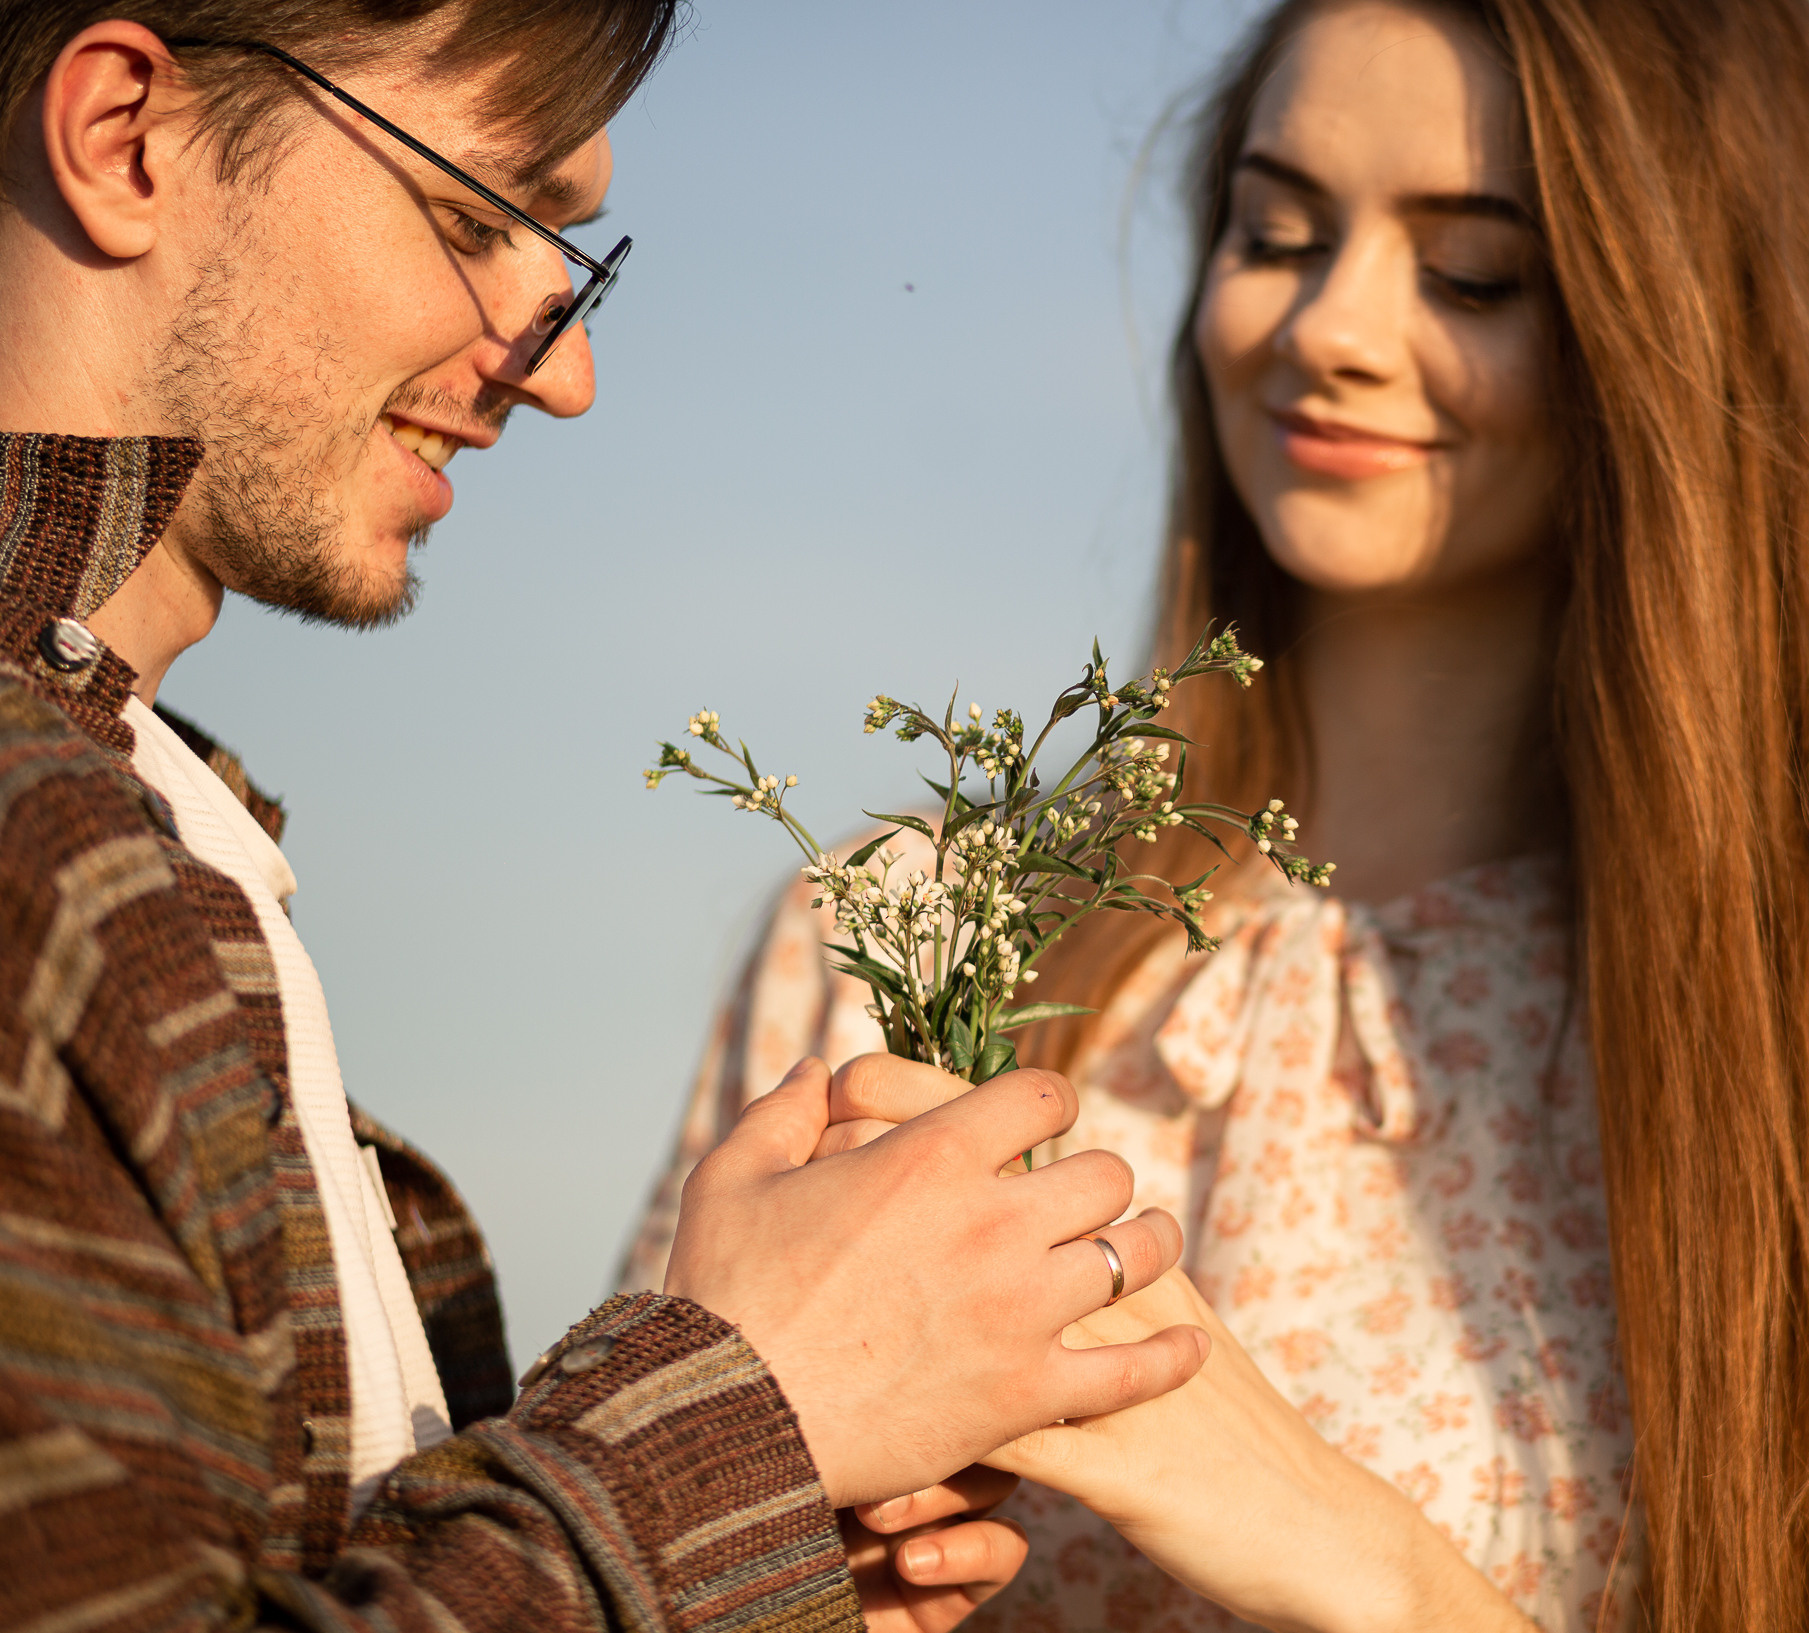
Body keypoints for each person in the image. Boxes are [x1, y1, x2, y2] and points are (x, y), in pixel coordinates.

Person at [626, 1, 1809, 1630]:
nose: (1328, 325)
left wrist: (1361, 1561)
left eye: (1474, 272)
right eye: (1276, 231)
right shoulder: (909, 931)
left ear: (1699, 332)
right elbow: (589, 1553)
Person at [0, 7, 1208, 1630]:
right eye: (473, 214)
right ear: (125, 135)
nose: (560, 371)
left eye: (570, 257)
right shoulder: (42, 861)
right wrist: (740, 1419)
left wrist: (756, 1543)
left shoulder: (163, 826)